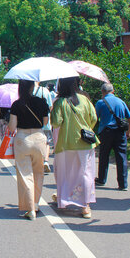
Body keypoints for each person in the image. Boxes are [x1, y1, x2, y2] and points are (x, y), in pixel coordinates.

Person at [51, 76, 98, 219]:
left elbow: (56, 123)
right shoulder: (84, 99)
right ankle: (86, 206)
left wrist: (53, 110)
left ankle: (64, 199)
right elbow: (94, 118)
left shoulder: (60, 102)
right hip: (85, 142)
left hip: (66, 143)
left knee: (65, 172)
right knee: (85, 173)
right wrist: (84, 128)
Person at [8, 79, 49, 220]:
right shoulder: (42, 101)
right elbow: (45, 122)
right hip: (39, 138)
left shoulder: (16, 104)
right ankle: (36, 204)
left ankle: (30, 209)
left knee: (25, 175)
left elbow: (12, 127)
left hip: (22, 139)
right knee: (39, 173)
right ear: (33, 86)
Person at [94, 83, 130, 190]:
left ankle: (101, 179)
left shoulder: (100, 103)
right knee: (121, 157)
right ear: (113, 91)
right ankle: (123, 184)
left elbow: (95, 118)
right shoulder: (121, 102)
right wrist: (129, 131)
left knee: (104, 156)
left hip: (106, 132)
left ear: (102, 92)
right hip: (120, 133)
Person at [33, 83, 54, 173]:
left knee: (34, 142)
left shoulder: (28, 90)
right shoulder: (45, 91)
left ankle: (36, 162)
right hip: (45, 122)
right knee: (46, 142)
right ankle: (45, 161)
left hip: (33, 123)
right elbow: (50, 106)